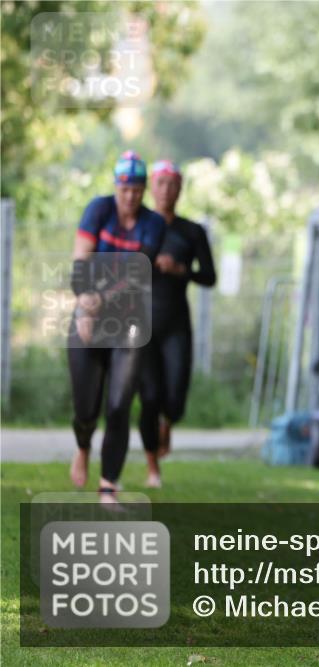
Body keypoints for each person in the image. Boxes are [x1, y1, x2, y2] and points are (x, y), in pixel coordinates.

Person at [68, 151, 165, 504]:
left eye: (138, 190)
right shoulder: (98, 209)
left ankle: (108, 485)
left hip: (130, 319)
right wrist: (84, 301)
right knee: (85, 406)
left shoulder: (154, 224)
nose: (131, 197)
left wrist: (98, 300)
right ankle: (82, 446)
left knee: (120, 402)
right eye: (125, 190)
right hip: (88, 310)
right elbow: (80, 259)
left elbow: (137, 273)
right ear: (115, 187)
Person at [138, 160, 216, 488]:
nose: (166, 191)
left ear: (180, 189)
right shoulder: (138, 226)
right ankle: (152, 468)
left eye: (172, 184)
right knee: (149, 396)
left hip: (176, 323)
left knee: (175, 395)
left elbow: (209, 277)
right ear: (151, 187)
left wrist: (181, 270)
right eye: (160, 184)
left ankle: (169, 422)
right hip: (141, 323)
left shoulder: (192, 231)